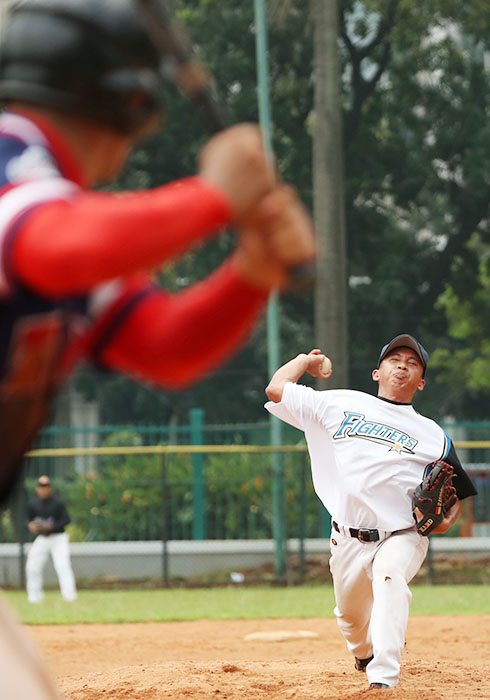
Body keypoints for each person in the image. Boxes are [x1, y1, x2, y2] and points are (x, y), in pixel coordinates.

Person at [0, 1, 315, 697]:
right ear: (125, 104)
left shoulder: (60, 205)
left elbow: (165, 347)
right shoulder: (10, 158)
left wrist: (251, 272)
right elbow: (50, 247)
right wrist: (211, 196)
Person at [265, 334, 477, 691]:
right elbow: (276, 388)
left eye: (413, 363)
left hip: (402, 534)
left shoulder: (433, 435)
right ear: (377, 372)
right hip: (347, 536)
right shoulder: (339, 403)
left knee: (390, 577)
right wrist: (306, 360)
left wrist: (444, 522)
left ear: (421, 382)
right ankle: (364, 654)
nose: (403, 366)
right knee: (349, 618)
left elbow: (455, 496)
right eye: (395, 359)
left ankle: (383, 679)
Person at [26, 475, 77, 604]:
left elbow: (66, 520)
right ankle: (34, 596)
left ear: (50, 488)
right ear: (37, 489)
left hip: (58, 538)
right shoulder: (33, 504)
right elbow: (28, 520)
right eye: (41, 487)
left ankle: (69, 596)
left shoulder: (58, 503)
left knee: (62, 565)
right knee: (32, 566)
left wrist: (51, 526)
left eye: (46, 487)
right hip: (42, 538)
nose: (44, 490)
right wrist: (30, 525)